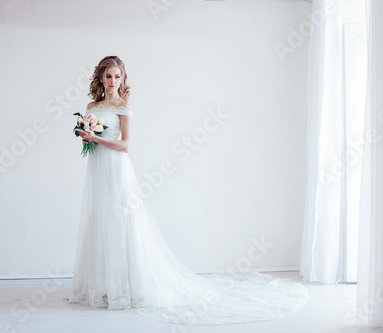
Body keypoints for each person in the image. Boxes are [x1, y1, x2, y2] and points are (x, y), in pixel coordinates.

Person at [65, 55, 309, 325]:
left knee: (122, 222)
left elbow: (125, 145)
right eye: (108, 76)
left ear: (123, 79)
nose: (113, 81)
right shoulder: (91, 106)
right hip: (98, 168)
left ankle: (126, 287)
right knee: (100, 219)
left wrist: (96, 137)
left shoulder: (124, 106)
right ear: (100, 77)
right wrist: (87, 138)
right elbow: (89, 140)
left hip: (117, 169)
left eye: (117, 76)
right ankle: (102, 287)